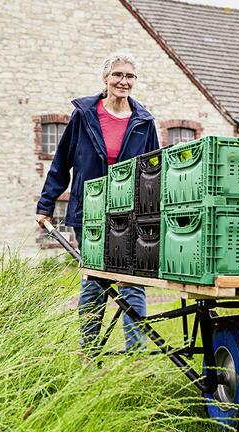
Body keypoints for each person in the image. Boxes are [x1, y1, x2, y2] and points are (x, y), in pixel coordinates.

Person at [36, 53, 159, 353]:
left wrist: (154, 212)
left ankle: (136, 358)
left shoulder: (144, 122)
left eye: (130, 76)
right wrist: (46, 204)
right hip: (89, 212)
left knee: (132, 282)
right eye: (117, 75)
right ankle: (89, 352)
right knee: (94, 281)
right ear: (104, 79)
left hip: (130, 213)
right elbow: (62, 160)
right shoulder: (85, 115)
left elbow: (155, 169)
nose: (123, 81)